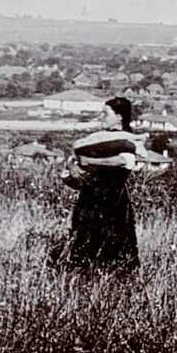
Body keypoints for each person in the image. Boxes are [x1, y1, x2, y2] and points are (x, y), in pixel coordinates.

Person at [60, 96, 145, 273]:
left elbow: (126, 161)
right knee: (83, 242)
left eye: (105, 113)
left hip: (112, 201)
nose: (101, 117)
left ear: (120, 117)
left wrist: (90, 161)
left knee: (112, 245)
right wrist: (72, 166)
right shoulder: (99, 139)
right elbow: (75, 157)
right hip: (89, 199)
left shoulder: (128, 140)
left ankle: (111, 287)